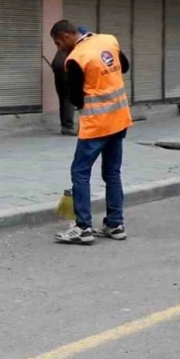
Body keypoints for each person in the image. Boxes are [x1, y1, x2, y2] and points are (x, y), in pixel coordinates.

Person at [50, 20, 133, 245]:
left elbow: (76, 97)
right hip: (119, 119)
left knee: (80, 172)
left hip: (97, 123)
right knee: (112, 173)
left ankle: (83, 227)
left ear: (67, 36)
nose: (58, 48)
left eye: (58, 43)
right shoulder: (108, 40)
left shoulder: (76, 58)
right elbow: (123, 66)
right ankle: (115, 225)